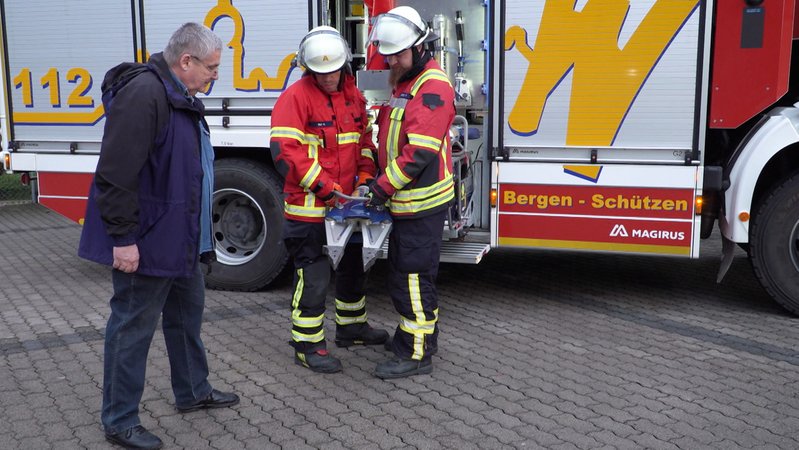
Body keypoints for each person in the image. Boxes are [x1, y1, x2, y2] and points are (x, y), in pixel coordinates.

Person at [78, 23, 239, 450]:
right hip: (147, 240)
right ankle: (119, 420)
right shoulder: (145, 95)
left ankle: (193, 391)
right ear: (185, 61)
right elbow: (115, 174)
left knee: (187, 318)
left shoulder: (180, 95)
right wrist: (123, 238)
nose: (215, 76)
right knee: (132, 327)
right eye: (211, 67)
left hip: (181, 237)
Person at [270, 26, 389, 373]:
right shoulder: (294, 98)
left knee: (354, 267)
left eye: (333, 70)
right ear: (307, 69)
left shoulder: (353, 97)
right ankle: (307, 344)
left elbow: (365, 143)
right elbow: (285, 153)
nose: (327, 78)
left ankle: (352, 328)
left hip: (350, 205)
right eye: (319, 73)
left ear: (345, 66)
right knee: (314, 276)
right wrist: (325, 188)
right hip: (309, 210)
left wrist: (366, 178)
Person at [367, 6, 456, 379]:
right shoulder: (407, 81)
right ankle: (418, 337)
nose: (392, 61)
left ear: (421, 47)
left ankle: (415, 354)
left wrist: (381, 187)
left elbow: (417, 152)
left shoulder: (432, 86)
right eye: (388, 55)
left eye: (399, 54)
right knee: (413, 275)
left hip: (419, 202)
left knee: (412, 277)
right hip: (409, 201)